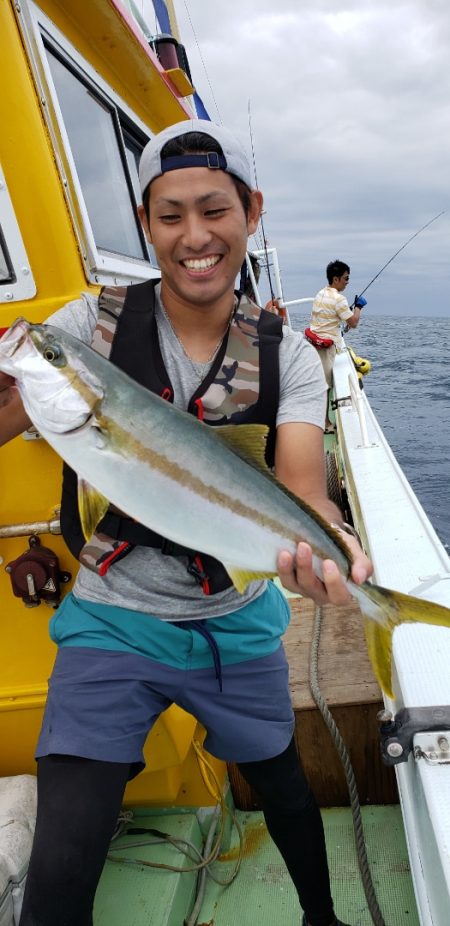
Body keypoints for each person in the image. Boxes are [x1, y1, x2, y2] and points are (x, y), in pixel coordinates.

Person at [0, 119, 372, 926]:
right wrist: (17, 378)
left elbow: (303, 486)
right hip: (111, 620)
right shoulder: (82, 328)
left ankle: (323, 918)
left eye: (214, 210)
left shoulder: (286, 353)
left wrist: (332, 546)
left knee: (282, 784)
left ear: (252, 212)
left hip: (233, 622)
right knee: (63, 851)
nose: (194, 236)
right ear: (145, 224)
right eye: (169, 215)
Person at [306, 260, 362, 431]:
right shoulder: (339, 299)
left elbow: (331, 316)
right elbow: (353, 323)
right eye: (346, 278)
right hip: (326, 348)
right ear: (336, 279)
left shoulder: (320, 293)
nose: (347, 281)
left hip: (313, 344)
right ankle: (324, 423)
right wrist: (359, 307)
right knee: (324, 387)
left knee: (318, 383)